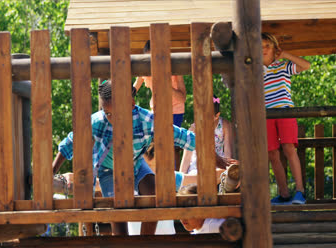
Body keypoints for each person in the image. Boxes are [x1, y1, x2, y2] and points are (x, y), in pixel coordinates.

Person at [52, 80, 197, 236]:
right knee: (117, 208)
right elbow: (70, 143)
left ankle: (145, 241)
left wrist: (214, 156)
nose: (113, 118)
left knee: (153, 192)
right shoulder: (97, 122)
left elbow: (183, 136)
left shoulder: (145, 119)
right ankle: (122, 244)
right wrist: (51, 172)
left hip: (135, 164)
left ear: (131, 104)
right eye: (108, 113)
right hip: (109, 170)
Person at [262, 32, 311, 205]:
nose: (264, 49)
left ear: (275, 48)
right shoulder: (254, 70)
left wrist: (285, 55)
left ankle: (300, 192)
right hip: (266, 114)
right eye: (260, 46)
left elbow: (306, 65)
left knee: (289, 148)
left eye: (268, 45)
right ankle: (283, 194)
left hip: (284, 111)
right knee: (272, 153)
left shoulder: (282, 66)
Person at [134, 40, 187, 170]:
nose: (153, 63)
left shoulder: (174, 68)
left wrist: (165, 83)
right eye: (149, 59)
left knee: (169, 145)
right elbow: (134, 88)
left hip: (174, 110)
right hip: (156, 111)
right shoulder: (145, 69)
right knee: (152, 145)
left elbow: (182, 98)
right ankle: (152, 175)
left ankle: (171, 178)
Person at [179, 96, 234, 187]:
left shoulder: (224, 126)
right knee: (195, 176)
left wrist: (228, 169)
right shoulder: (194, 129)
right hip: (197, 164)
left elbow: (228, 152)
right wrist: (181, 179)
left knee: (220, 174)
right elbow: (187, 158)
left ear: (217, 115)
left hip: (218, 164)